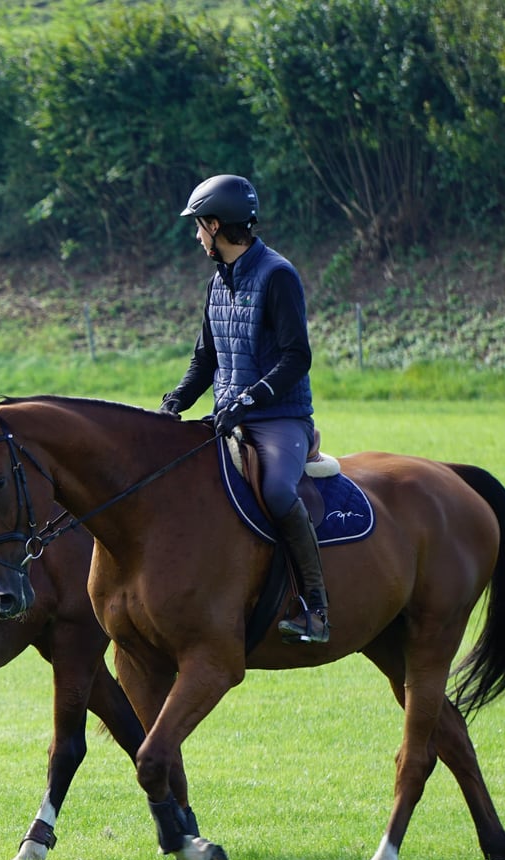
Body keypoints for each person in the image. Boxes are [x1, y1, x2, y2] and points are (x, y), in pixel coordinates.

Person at [159, 174, 329, 644]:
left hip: (280, 419)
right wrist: (175, 400)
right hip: (229, 416)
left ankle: (315, 605)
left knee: (275, 490)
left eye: (198, 226)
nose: (196, 236)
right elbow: (205, 359)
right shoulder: (217, 283)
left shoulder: (278, 275)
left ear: (216, 225)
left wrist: (248, 399)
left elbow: (298, 357)